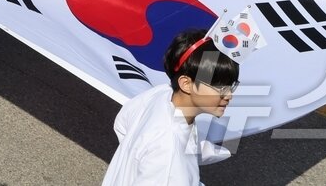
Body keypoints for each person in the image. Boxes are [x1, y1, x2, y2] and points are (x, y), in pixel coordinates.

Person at [101, 30, 237, 185]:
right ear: (186, 84)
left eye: (231, 85)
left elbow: (122, 122)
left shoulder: (161, 94)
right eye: (219, 87)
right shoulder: (169, 155)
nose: (229, 95)